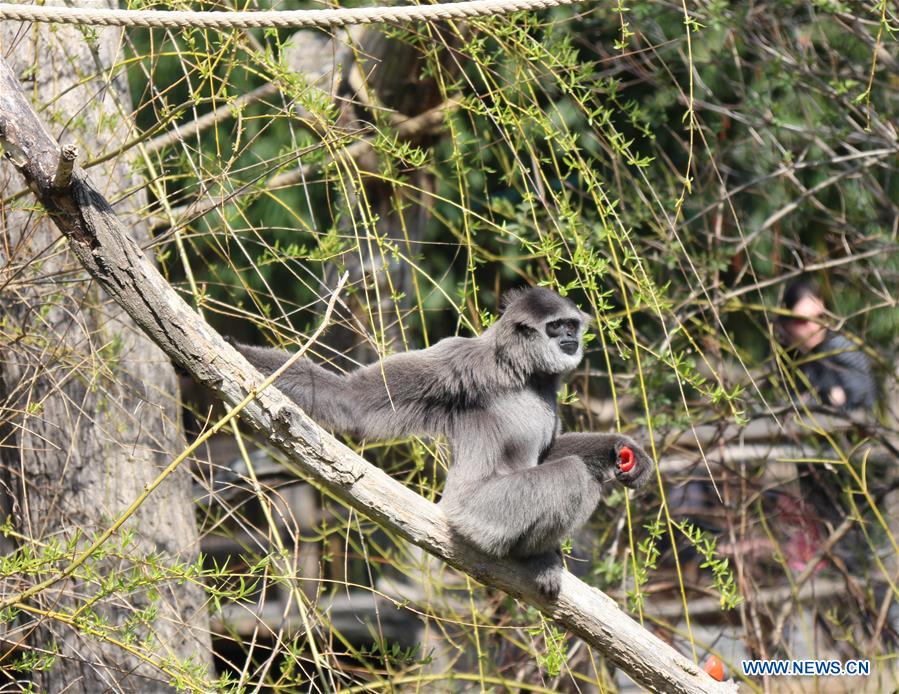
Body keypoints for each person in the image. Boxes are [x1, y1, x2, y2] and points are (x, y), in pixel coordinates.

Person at [779, 281, 877, 411]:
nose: (814, 327)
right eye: (802, 321)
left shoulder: (842, 348)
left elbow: (862, 403)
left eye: (819, 317)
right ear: (786, 325)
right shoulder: (784, 356)